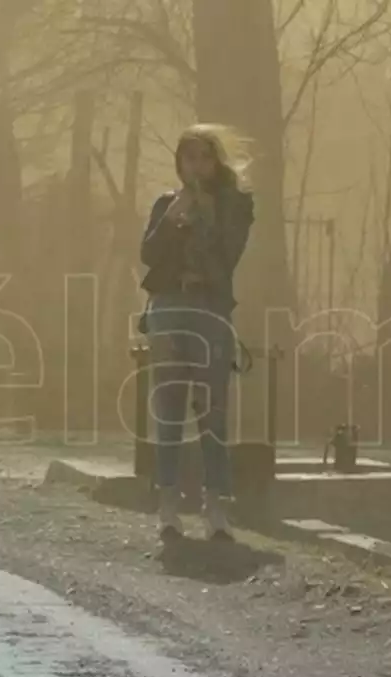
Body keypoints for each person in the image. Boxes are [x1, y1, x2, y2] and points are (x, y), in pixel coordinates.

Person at [139, 124, 255, 541]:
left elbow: (227, 259)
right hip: (168, 307)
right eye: (188, 158)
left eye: (204, 157)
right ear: (179, 162)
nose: (196, 166)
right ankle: (168, 505)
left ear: (216, 161)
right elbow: (148, 255)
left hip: (208, 308)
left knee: (212, 411)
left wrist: (202, 217)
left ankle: (216, 507)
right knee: (168, 410)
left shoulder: (236, 207)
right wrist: (173, 218)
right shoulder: (166, 203)